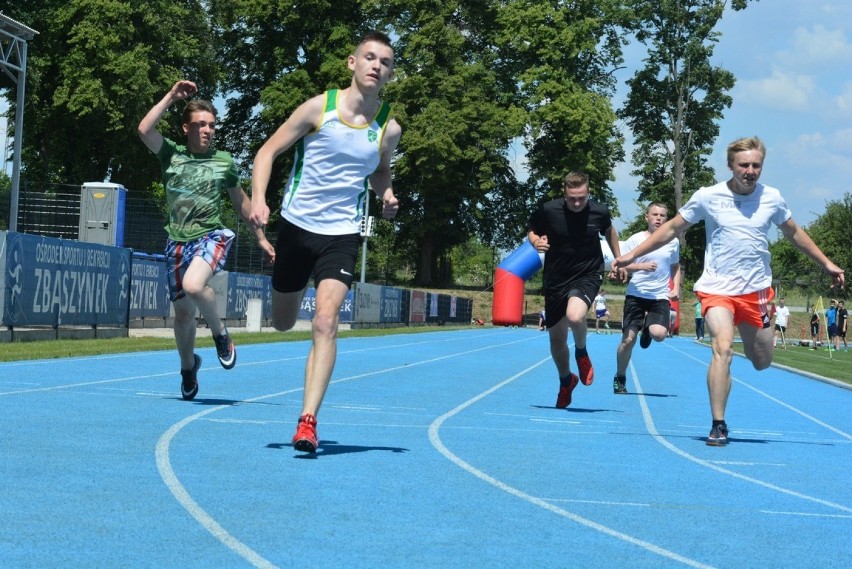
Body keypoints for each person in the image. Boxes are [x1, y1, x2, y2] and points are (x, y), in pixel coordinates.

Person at [612, 136, 844, 446]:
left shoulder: (772, 198)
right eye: (744, 165)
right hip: (716, 289)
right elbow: (671, 229)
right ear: (730, 166)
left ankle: (759, 336)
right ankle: (718, 424)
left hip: (756, 292)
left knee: (761, 360)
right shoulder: (709, 196)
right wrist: (631, 255)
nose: (750, 171)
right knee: (722, 347)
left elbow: (794, 233)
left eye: (756, 165)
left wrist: (827, 263)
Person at [249, 31, 401, 453]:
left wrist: (385, 195)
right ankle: (286, 292)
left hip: (342, 234)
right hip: (297, 228)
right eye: (368, 57)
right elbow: (266, 153)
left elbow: (381, 171)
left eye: (384, 62)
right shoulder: (320, 108)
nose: (376, 65)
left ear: (390, 74)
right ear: (352, 64)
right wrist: (259, 199)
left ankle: (307, 421)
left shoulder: (388, 128)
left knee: (325, 321)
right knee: (282, 321)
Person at [138, 80, 275, 401]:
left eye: (212, 125)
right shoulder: (170, 155)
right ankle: (188, 368)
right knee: (183, 315)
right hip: (177, 243)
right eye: (200, 125)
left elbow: (242, 204)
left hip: (210, 236)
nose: (207, 130)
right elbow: (144, 129)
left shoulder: (224, 162)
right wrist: (171, 95)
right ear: (186, 128)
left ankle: (221, 335)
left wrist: (261, 237)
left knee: (195, 285)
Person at [528, 171, 624, 408]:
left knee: (575, 315)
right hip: (556, 278)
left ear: (588, 192)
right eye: (572, 198)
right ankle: (566, 380)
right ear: (565, 193)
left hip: (588, 273)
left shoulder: (599, 211)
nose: (577, 203)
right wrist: (535, 241)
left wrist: (618, 258)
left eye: (582, 197)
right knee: (557, 340)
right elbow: (532, 229)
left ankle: (581, 352)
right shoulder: (549, 210)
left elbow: (610, 231)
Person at [612, 203, 681, 394]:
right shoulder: (636, 239)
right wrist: (640, 267)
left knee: (659, 335)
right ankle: (620, 376)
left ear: (667, 219)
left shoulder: (672, 241)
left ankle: (648, 331)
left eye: (662, 215)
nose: (658, 218)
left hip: (659, 295)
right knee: (628, 340)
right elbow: (619, 265)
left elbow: (675, 266)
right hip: (637, 293)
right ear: (646, 217)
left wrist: (675, 286)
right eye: (655, 214)